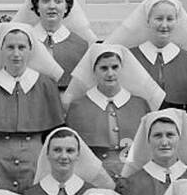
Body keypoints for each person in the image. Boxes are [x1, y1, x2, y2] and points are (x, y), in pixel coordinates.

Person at [0, 25, 67, 191]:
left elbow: (55, 132)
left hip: (36, 161)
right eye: (10, 47)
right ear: (1, 50)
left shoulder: (46, 85)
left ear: (30, 50)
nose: (16, 54)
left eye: (22, 47)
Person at [62, 41, 165, 181]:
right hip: (95, 177)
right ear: (94, 70)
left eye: (115, 67)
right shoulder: (78, 107)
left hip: (134, 174)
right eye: (104, 68)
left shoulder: (140, 104)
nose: (110, 73)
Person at [105, 0, 187, 115]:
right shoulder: (130, 57)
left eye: (170, 19)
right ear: (148, 21)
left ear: (176, 22)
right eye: (159, 19)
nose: (164, 25)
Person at [8, 0, 96, 90]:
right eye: (45, 1)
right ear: (37, 7)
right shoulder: (23, 42)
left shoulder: (81, 45)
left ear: (66, 8)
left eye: (58, 1)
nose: (52, 6)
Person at [22, 126, 115, 195]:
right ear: (47, 154)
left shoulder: (92, 194)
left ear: (78, 155)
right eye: (57, 150)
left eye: (70, 151)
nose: (63, 156)